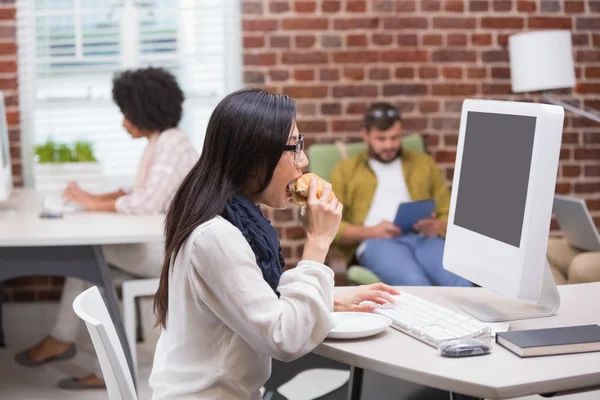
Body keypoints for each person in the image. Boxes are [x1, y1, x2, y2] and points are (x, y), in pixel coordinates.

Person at [148, 88, 398, 400]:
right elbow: (286, 339)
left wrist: (330, 298)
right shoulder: (215, 236)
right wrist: (318, 240)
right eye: (294, 147)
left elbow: (252, 298)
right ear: (254, 157)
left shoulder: (227, 216)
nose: (303, 160)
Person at [14, 67, 198, 389]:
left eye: (126, 113)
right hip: (162, 246)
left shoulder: (171, 142)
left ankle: (66, 343)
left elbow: (147, 202)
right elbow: (141, 191)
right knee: (87, 265)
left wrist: (91, 204)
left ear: (143, 109)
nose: (123, 121)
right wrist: (96, 197)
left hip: (168, 253)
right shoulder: (161, 141)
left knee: (86, 259)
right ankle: (91, 358)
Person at [329, 102, 470, 287]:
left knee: (460, 280)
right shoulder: (346, 170)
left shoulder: (424, 164)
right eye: (381, 138)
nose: (389, 145)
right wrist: (372, 231)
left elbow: (450, 214)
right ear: (366, 135)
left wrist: (437, 225)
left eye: (395, 138)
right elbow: (332, 225)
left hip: (424, 238)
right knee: (415, 284)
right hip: (378, 242)